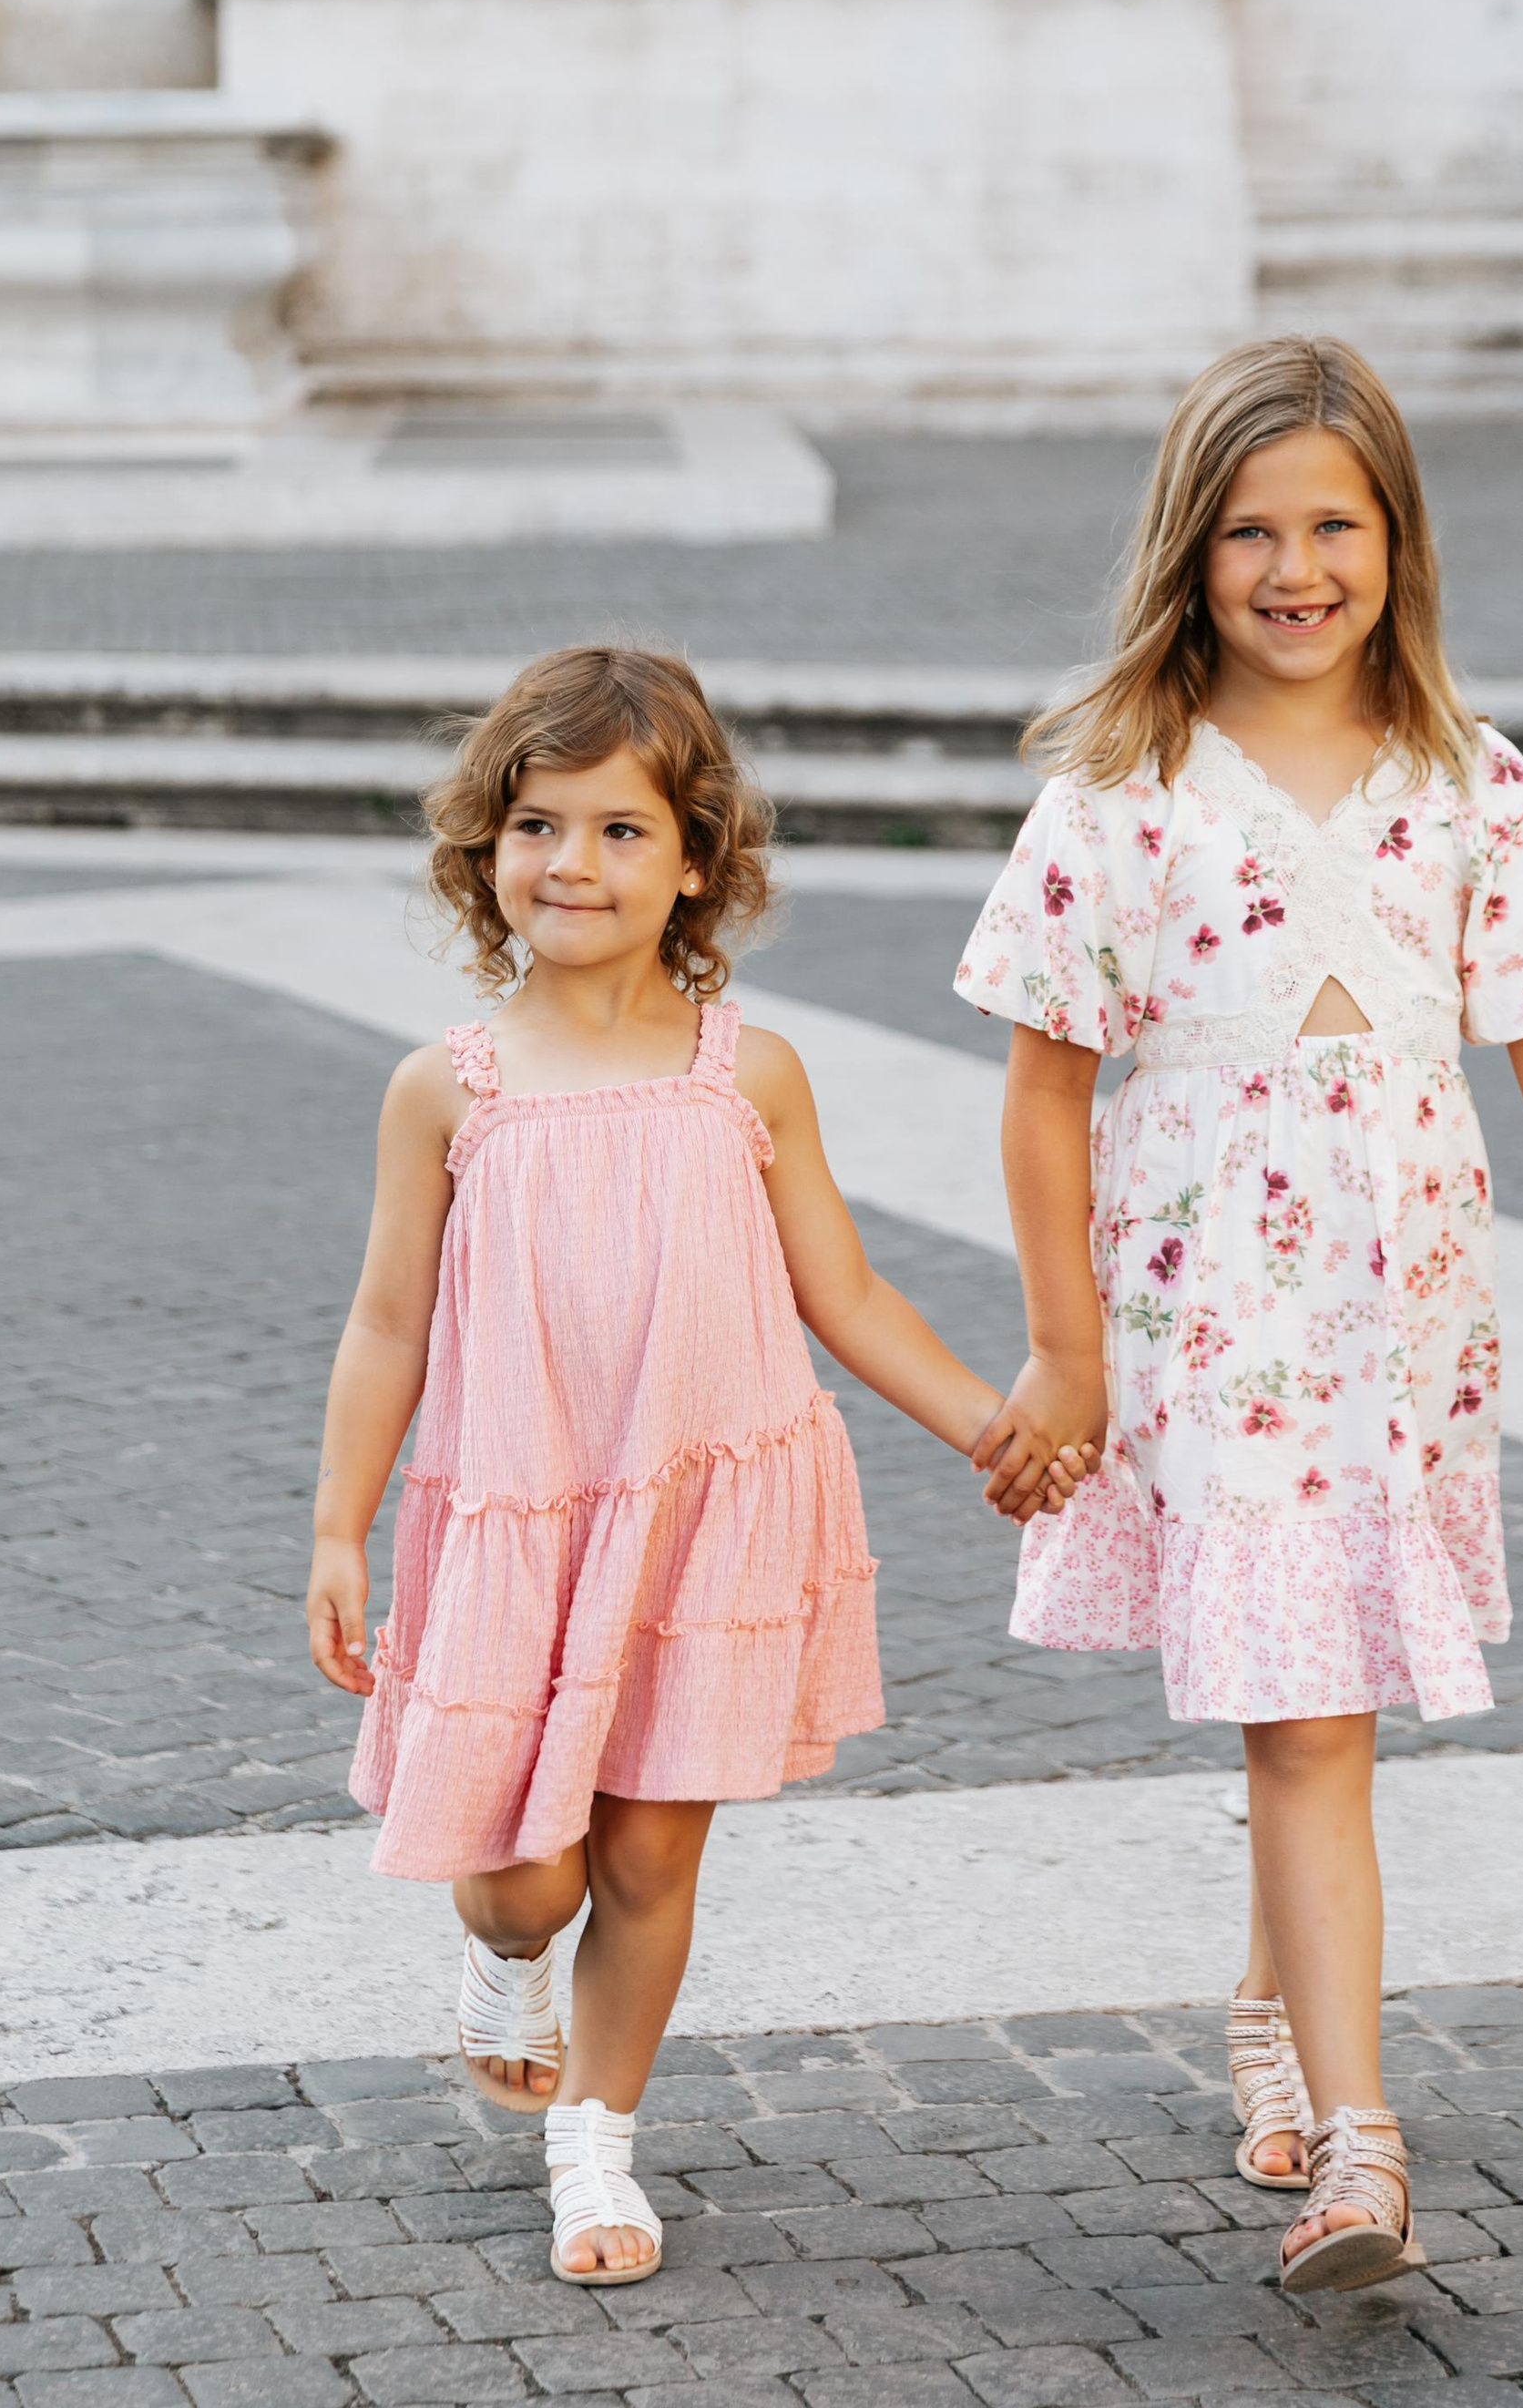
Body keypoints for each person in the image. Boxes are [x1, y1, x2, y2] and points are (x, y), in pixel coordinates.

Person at [955, 335, 1523, 2296]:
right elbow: (1042, 1088)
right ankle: (1358, 2155)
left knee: (1319, 1714)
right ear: (1186, 552)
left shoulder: (1471, 784)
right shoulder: (1117, 792)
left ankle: (1278, 2009)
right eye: (1248, 531)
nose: (1293, 569)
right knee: (1305, 1726)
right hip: (1212, 1318)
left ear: (1397, 542)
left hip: (1401, 1321)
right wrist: (1063, 1345)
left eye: (1332, 527)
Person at [306, 644, 1089, 2291]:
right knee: (524, 1878)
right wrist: (340, 1528)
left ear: (696, 862)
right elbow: (387, 1325)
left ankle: (597, 2142)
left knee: (653, 1855)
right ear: (486, 850)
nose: (572, 865)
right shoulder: (448, 1087)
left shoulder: (753, 1072)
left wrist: (985, 1422)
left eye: (617, 831)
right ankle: (504, 1962)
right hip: (523, 1517)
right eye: (537, 827)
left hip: (700, 1516)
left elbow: (843, 1290)